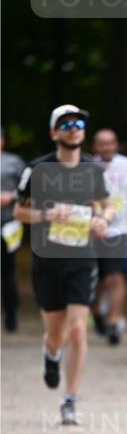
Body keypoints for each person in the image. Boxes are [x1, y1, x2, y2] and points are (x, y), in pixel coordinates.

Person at [14, 104, 115, 424]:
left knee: (77, 329)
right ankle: (51, 354)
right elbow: (19, 212)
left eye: (79, 123)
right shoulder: (37, 169)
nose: (74, 128)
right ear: (53, 132)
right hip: (47, 261)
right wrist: (45, 214)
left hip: (82, 258)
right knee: (54, 333)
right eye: (66, 123)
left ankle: (69, 399)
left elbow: (108, 206)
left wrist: (102, 219)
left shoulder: (92, 169)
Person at [91, 128, 127, 344]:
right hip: (92, 229)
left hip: (118, 229)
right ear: (95, 146)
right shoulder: (87, 165)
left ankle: (113, 323)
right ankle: (96, 313)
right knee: (97, 281)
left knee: (116, 276)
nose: (106, 147)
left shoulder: (126, 164)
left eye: (110, 143)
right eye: (102, 143)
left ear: (116, 144)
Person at [1, 128, 26, 332]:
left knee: (6, 271)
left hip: (8, 224)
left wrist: (11, 197)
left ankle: (11, 311)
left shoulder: (14, 162)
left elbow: (27, 191)